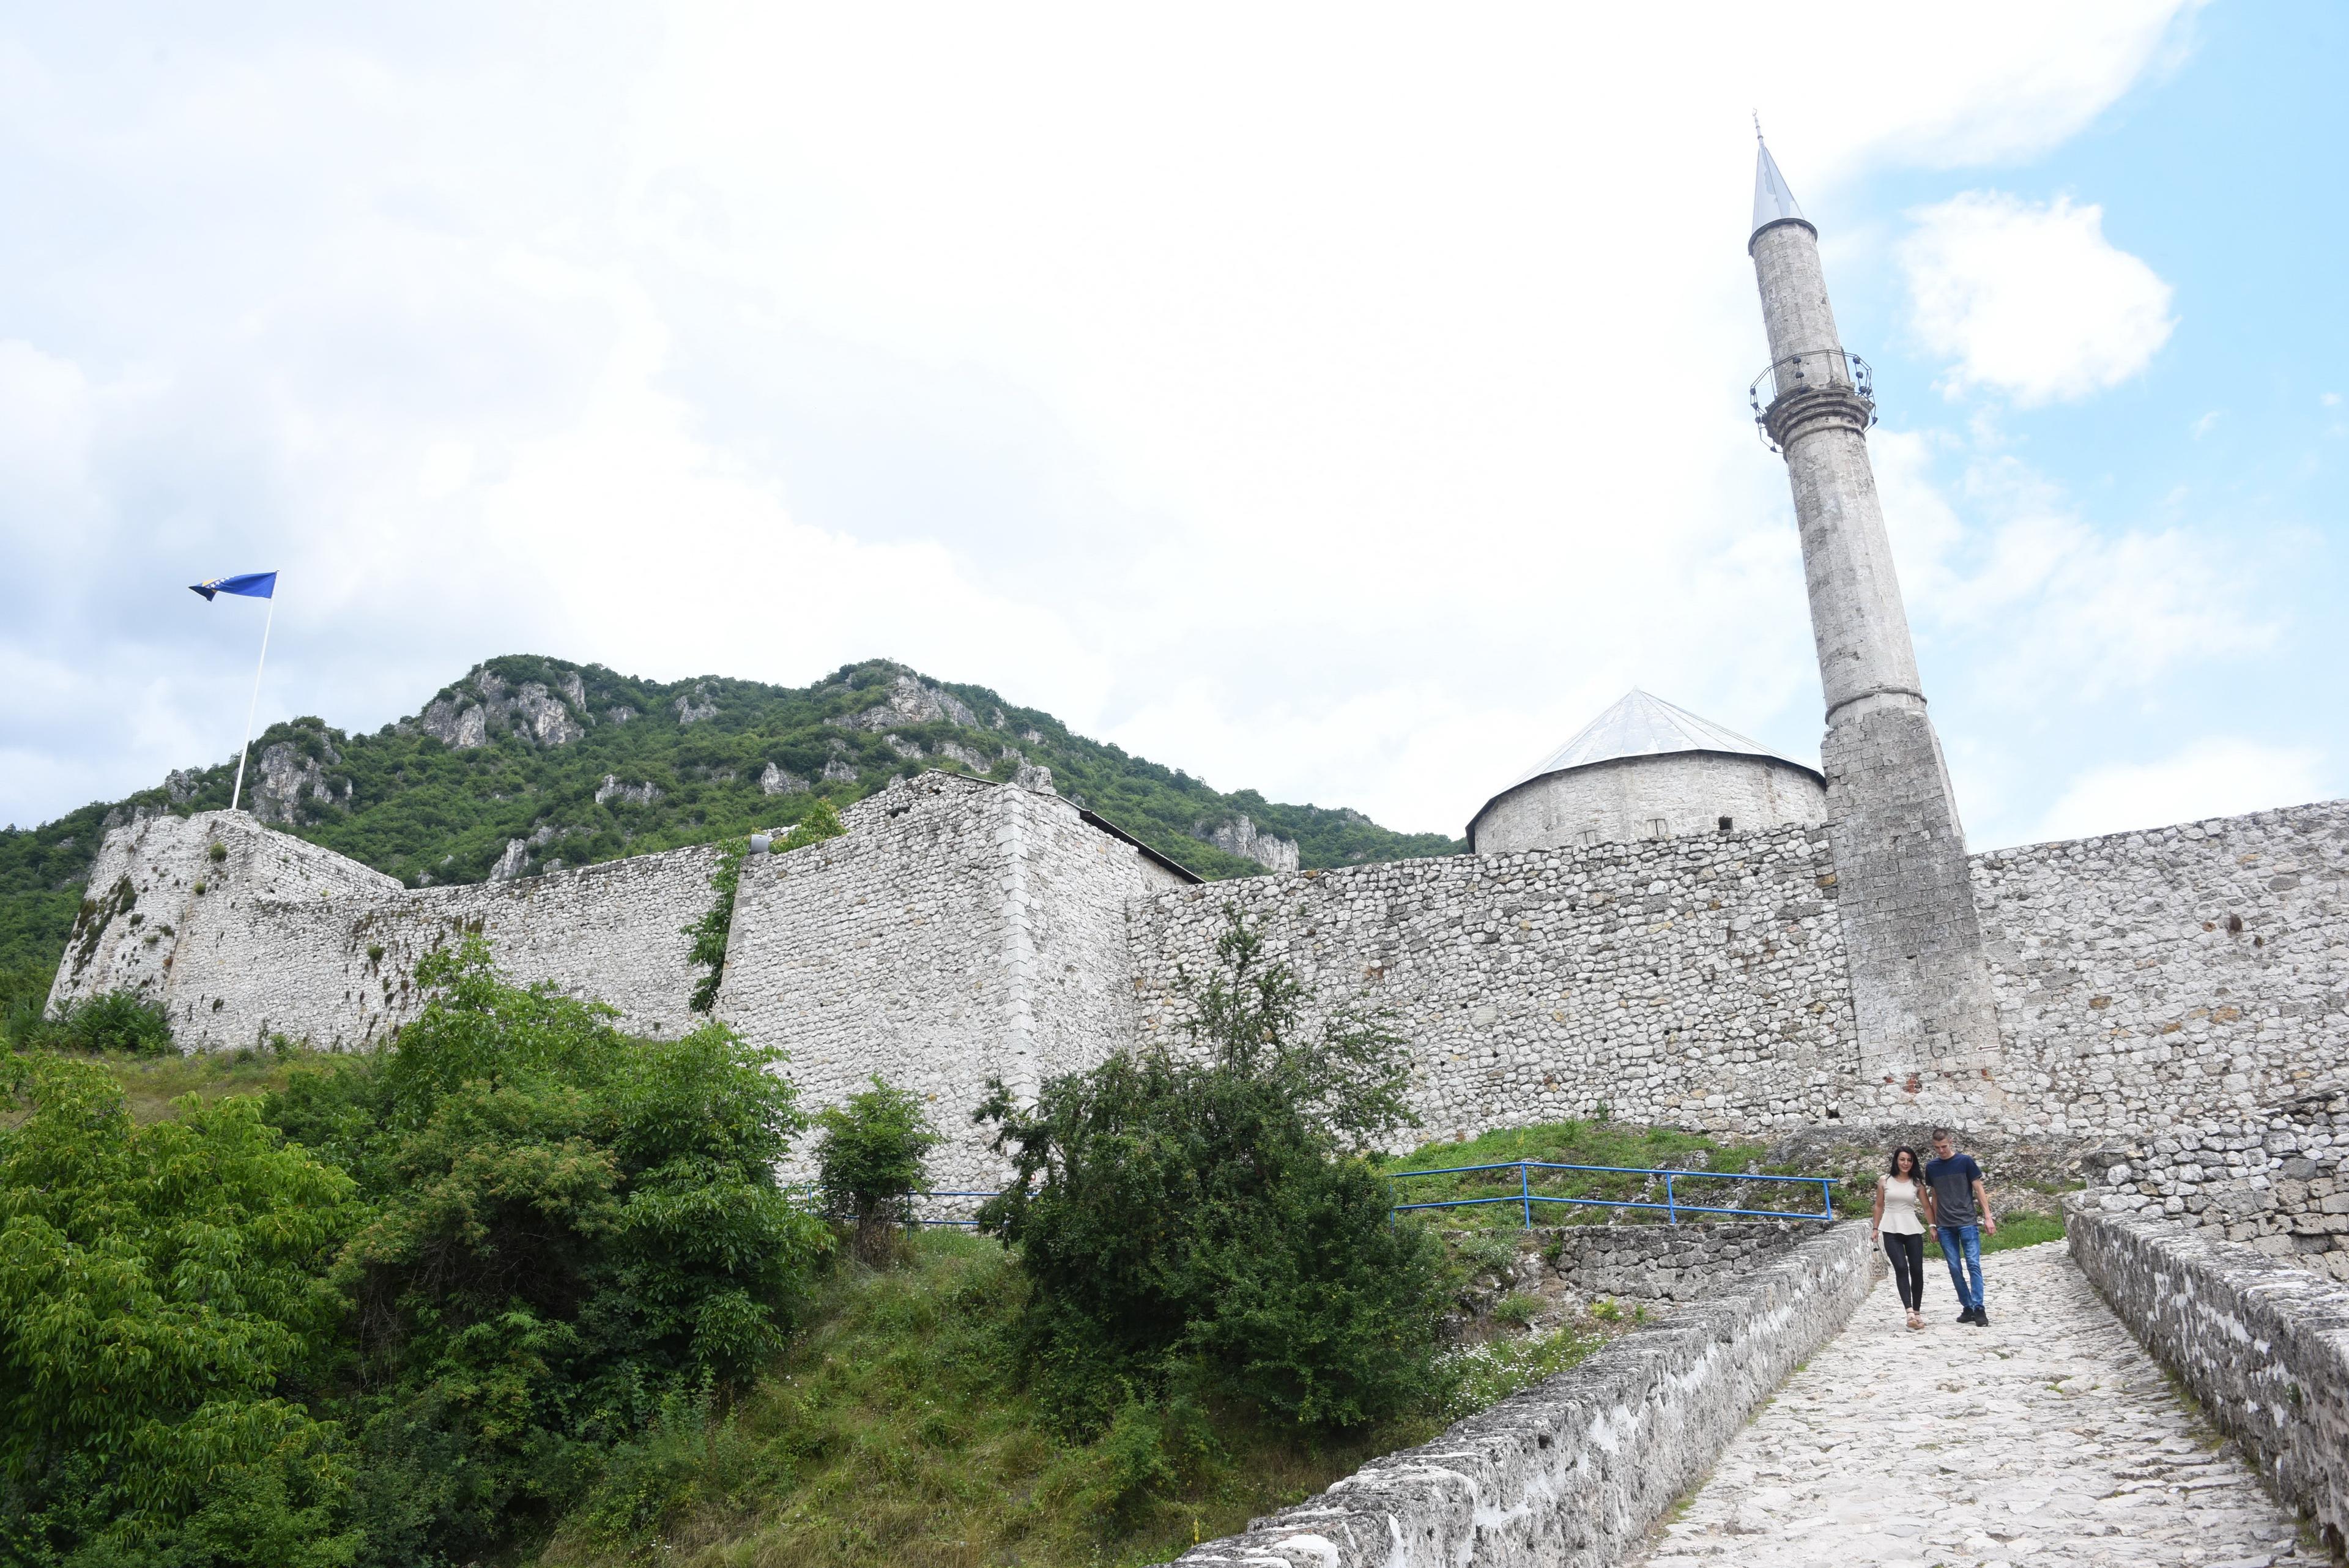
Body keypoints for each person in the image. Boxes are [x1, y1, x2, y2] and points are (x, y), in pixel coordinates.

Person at [1923, 1128, 1997, 1326]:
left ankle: (1979, 1307)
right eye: (1937, 1148)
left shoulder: (1965, 1162)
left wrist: (1988, 1217)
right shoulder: (1932, 1167)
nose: (1942, 1151)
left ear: (1951, 1142)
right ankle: (1967, 1307)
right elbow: (1935, 1195)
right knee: (1954, 1267)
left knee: (1973, 1264)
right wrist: (1934, 1224)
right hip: (1945, 1225)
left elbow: (1979, 1189)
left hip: (1967, 1221)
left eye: (1944, 1146)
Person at [1871, 1146, 1929, 1330]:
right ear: (1896, 1160)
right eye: (1903, 1159)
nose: (1906, 1163)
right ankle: (1909, 1311)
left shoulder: (1917, 1183)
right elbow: (1879, 1206)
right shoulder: (1884, 1180)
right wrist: (1875, 1228)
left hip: (1912, 1228)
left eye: (1909, 1160)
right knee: (1901, 1268)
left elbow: (1927, 1207)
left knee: (1917, 1270)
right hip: (1891, 1229)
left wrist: (1933, 1227)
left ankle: (1918, 1312)